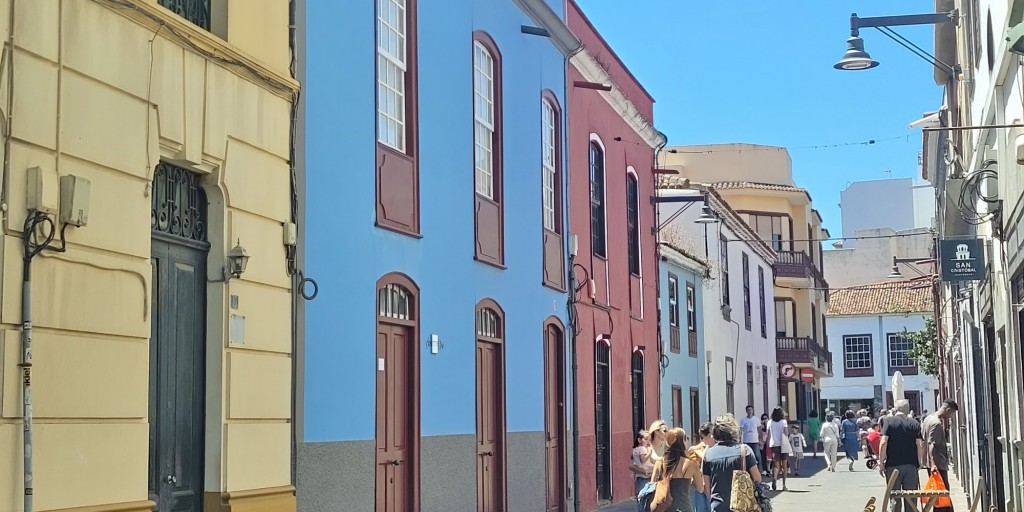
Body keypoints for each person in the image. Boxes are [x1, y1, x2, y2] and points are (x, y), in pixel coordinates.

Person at [702, 414, 762, 512]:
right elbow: (757, 479)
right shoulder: (744, 450)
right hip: (742, 506)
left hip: (718, 506)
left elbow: (707, 488)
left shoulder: (708, 454)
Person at [878, 399, 926, 512]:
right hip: (910, 465)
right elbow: (920, 444)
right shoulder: (914, 423)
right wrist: (920, 462)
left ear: (895, 409)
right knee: (911, 497)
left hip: (892, 465)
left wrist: (881, 463)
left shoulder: (888, 422)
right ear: (908, 409)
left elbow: (883, 442)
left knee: (895, 497)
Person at [650, 428, 704, 512]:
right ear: (682, 441)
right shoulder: (691, 464)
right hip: (684, 507)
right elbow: (700, 488)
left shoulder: (659, 462)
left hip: (664, 508)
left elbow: (651, 486)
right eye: (686, 438)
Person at [922, 400, 959, 512]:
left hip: (931, 463)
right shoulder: (936, 423)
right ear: (947, 410)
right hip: (938, 465)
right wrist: (934, 464)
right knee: (943, 492)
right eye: (951, 413)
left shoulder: (928, 419)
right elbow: (931, 444)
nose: (950, 417)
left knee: (937, 494)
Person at [688, 422, 715, 512]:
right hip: (699, 484)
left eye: (702, 437)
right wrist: (694, 448)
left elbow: (706, 458)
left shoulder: (717, 447)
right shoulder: (705, 446)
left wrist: (696, 451)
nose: (701, 439)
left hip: (711, 485)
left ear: (710, 435)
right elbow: (696, 447)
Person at [767, 407, 789, 490]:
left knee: (776, 465)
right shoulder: (784, 422)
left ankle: (775, 478)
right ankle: (784, 485)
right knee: (784, 465)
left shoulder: (770, 422)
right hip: (783, 444)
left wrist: (768, 444)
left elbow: (768, 434)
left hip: (774, 444)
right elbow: (786, 433)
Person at [630, 430, 654, 497]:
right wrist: (649, 453)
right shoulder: (643, 449)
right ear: (639, 440)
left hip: (639, 476)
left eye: (649, 440)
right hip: (645, 476)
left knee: (641, 496)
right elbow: (643, 460)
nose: (648, 441)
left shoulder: (636, 449)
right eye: (646, 439)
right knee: (645, 496)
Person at [739, 405, 762, 470]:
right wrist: (740, 440)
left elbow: (759, 430)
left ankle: (760, 470)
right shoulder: (743, 420)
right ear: (746, 411)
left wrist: (761, 440)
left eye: (751, 410)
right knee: (746, 456)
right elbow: (741, 430)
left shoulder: (756, 419)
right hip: (746, 441)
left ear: (753, 411)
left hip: (755, 441)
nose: (750, 411)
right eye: (748, 410)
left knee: (757, 455)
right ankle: (746, 470)